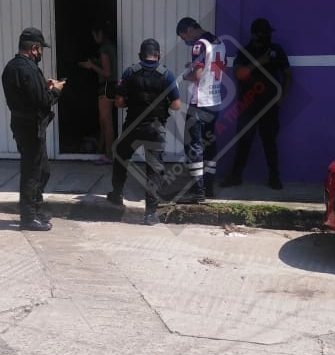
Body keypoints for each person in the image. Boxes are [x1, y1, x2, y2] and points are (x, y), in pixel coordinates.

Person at [109, 38, 182, 226]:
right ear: (158, 55)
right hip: (155, 129)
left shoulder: (129, 72)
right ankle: (150, 214)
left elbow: (119, 103)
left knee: (121, 157)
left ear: (140, 55)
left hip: (133, 125)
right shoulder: (167, 75)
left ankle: (117, 194)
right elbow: (176, 105)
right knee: (154, 169)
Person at [1, 27, 65, 231]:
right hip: (30, 128)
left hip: (22, 125)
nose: (41, 53)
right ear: (34, 48)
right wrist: (56, 90)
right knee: (32, 172)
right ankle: (28, 217)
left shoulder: (12, 67)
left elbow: (29, 93)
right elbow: (42, 100)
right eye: (41, 49)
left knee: (42, 170)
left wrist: (45, 86)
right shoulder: (28, 69)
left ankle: (35, 210)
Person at [222, 18, 291, 190]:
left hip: (269, 104)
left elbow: (287, 74)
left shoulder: (276, 50)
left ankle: (274, 177)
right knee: (243, 142)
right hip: (248, 105)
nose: (267, 36)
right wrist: (260, 61)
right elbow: (239, 74)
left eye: (267, 33)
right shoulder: (244, 52)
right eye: (263, 33)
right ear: (255, 35)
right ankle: (235, 176)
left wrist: (282, 95)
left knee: (269, 142)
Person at [177, 17, 226, 201]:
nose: (186, 41)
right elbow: (213, 68)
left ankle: (198, 191)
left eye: (184, 37)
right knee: (210, 143)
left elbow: (197, 75)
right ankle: (209, 186)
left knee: (193, 145)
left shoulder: (199, 45)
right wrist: (193, 67)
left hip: (200, 102)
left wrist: (184, 76)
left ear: (189, 30)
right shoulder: (219, 42)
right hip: (215, 100)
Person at [78, 22, 117, 165]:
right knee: (104, 121)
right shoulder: (111, 46)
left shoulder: (104, 49)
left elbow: (107, 73)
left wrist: (91, 66)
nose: (94, 38)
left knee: (107, 122)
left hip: (106, 86)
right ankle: (103, 150)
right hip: (111, 86)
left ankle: (109, 155)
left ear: (99, 33)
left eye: (94, 35)